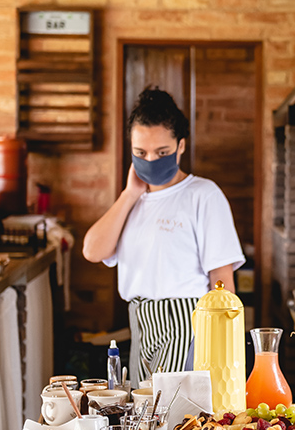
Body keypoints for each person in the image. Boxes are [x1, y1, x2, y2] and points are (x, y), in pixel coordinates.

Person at [83, 87, 245, 385]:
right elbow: (93, 250)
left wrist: (225, 353)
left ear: (181, 146)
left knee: (175, 421)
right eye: (140, 153)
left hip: (188, 325)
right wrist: (130, 193)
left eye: (162, 152)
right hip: (141, 324)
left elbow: (223, 283)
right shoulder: (132, 202)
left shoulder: (204, 195)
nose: (151, 160)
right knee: (148, 420)